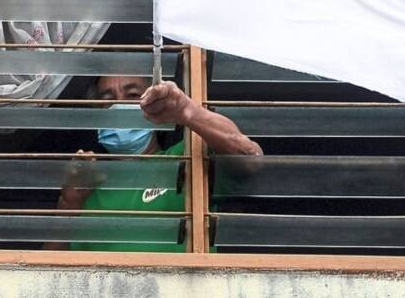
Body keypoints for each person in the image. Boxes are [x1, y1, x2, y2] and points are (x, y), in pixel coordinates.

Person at [46, 76, 262, 252]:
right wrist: (69, 204)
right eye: (108, 100)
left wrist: (187, 111)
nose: (120, 106)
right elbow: (45, 277)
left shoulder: (185, 157)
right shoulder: (88, 189)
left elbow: (250, 159)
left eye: (132, 96)